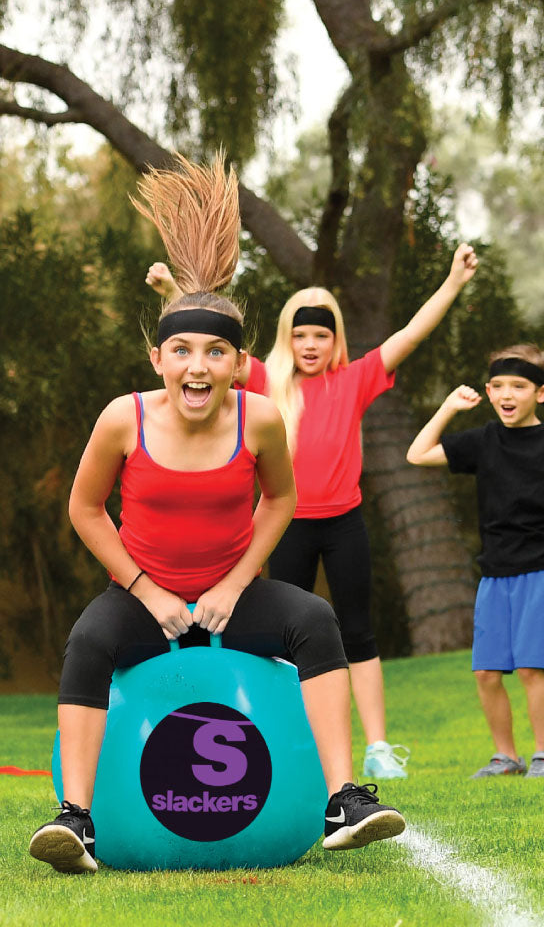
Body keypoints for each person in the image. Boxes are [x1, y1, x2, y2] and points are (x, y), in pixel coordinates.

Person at [30, 156, 406, 875]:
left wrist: (234, 586)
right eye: (181, 351)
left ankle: (343, 798)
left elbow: (283, 500)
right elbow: (84, 509)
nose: (197, 366)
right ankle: (77, 819)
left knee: (317, 620)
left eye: (215, 352)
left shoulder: (261, 420)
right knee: (86, 641)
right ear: (158, 358)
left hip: (233, 593)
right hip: (145, 595)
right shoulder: (124, 419)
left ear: (239, 363)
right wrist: (144, 590)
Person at [148, 243, 479, 780]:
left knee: (357, 633)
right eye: (300, 334)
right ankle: (288, 734)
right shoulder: (262, 380)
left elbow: (411, 335)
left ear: (336, 340)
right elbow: (205, 339)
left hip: (344, 523)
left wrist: (453, 283)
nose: (310, 344)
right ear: (287, 337)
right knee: (280, 636)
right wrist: (170, 292)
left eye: (321, 335)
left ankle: (377, 747)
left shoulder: (355, 379)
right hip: (283, 527)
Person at [406, 345, 544, 778]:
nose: (508, 393)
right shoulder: (484, 440)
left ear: (540, 394)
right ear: (487, 390)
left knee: (531, 669)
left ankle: (543, 753)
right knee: (486, 671)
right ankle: (507, 757)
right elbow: (417, 454)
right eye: (499, 385)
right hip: (494, 573)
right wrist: (448, 407)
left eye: (519, 386)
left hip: (538, 570)